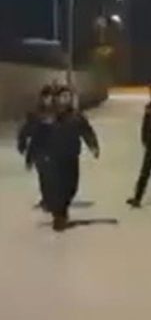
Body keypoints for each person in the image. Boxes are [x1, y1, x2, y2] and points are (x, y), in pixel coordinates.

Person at [29, 86, 100, 231]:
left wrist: (93, 146)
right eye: (63, 97)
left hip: (71, 157)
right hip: (54, 158)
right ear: (57, 99)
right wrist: (32, 155)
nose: (66, 100)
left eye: (68, 97)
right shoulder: (48, 117)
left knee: (71, 187)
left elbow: (87, 131)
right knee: (56, 188)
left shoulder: (76, 116)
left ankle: (62, 209)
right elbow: (37, 136)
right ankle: (58, 215)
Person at [19, 86, 56, 210]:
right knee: (44, 176)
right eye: (46, 97)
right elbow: (26, 130)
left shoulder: (59, 113)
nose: (48, 99)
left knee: (54, 176)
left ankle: (53, 198)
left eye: (50, 97)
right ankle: (47, 199)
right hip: (40, 150)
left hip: (55, 150)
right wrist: (22, 144)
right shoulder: (36, 114)